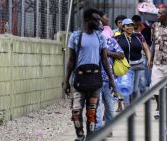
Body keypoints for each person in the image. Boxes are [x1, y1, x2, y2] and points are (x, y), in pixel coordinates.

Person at [64, 8, 116, 141]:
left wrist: (111, 80)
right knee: (76, 111)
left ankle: (91, 137)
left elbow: (104, 59)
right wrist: (66, 81)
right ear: (87, 20)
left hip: (95, 81)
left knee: (92, 112)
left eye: (100, 19)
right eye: (96, 19)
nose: (99, 22)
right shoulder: (75, 36)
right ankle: (80, 136)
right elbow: (71, 60)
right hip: (79, 81)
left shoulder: (100, 37)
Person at [95, 11, 124, 137]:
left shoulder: (111, 41)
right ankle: (98, 129)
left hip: (107, 78)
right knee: (95, 105)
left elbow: (121, 54)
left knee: (109, 105)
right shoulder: (91, 42)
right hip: (94, 78)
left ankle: (108, 128)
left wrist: (108, 53)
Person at [115, 18, 151, 107]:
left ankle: (132, 107)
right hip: (125, 66)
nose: (130, 27)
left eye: (131, 25)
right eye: (127, 25)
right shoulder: (118, 38)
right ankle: (127, 109)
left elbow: (146, 49)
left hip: (138, 65)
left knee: (134, 89)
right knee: (126, 87)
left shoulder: (139, 36)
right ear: (123, 27)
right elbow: (111, 50)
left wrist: (149, 60)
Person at [132, 15, 152, 94]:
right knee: (139, 76)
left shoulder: (146, 28)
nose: (135, 25)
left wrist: (148, 56)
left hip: (143, 54)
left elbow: (149, 42)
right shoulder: (129, 29)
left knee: (142, 74)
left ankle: (144, 91)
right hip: (134, 56)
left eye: (137, 23)